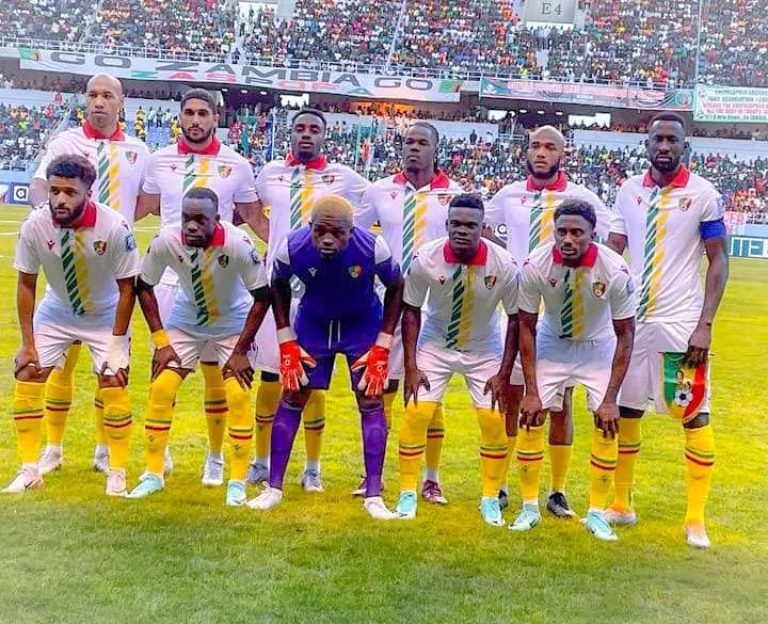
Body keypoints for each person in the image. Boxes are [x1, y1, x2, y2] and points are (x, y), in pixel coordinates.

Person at [607, 112, 729, 549]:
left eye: (671, 140)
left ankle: (695, 520)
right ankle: (621, 504)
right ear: (646, 145)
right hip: (631, 324)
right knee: (626, 411)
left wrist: (704, 325)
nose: (664, 146)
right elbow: (613, 249)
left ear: (684, 146)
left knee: (693, 412)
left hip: (680, 324)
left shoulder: (704, 194)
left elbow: (718, 260)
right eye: (657, 139)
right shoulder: (628, 190)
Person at [136, 88, 265, 487]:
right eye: (188, 113)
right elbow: (142, 207)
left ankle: (215, 457)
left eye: (202, 113)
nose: (195, 120)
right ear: (180, 117)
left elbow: (251, 215)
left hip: (219, 276)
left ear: (215, 118)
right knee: (163, 369)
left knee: (216, 376)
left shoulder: (236, 164)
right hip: (170, 278)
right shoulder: (159, 160)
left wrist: (283, 249)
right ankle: (160, 457)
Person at [484, 125, 615, 517]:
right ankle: (501, 485)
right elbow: (485, 230)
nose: (541, 153)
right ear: (526, 151)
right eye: (535, 146)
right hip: (520, 307)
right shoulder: (508, 195)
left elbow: (611, 239)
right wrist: (511, 262)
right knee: (513, 397)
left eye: (550, 147)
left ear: (563, 153)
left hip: (562, 312)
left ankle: (557, 491)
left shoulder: (582, 197)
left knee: (561, 403)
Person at [247, 195, 403, 520]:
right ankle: (273, 488)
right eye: (320, 231)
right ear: (310, 227)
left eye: (337, 233)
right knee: (292, 395)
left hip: (361, 325)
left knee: (371, 400)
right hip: (314, 324)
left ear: (352, 230)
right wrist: (285, 338)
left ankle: (374, 495)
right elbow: (277, 284)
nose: (327, 239)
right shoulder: (291, 246)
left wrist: (383, 343)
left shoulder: (373, 247)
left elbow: (396, 286)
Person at [29, 74, 150, 477]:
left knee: (109, 368)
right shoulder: (64, 142)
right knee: (60, 364)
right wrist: (46, 216)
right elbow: (39, 187)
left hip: (112, 272)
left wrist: (115, 231)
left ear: (121, 102)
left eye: (107, 96)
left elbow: (147, 201)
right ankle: (53, 448)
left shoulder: (138, 151)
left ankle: (103, 450)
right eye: (93, 95)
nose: (99, 102)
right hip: (67, 266)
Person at [247, 108, 370, 491]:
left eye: (314, 129)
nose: (306, 134)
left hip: (321, 292)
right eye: (299, 128)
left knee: (312, 382)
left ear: (323, 136)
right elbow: (251, 212)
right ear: (290, 133)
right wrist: (276, 243)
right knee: (271, 376)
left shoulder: (344, 178)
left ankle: (312, 468)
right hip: (280, 289)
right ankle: (261, 461)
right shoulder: (270, 173)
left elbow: (368, 213)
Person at [2, 155, 140, 496]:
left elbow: (128, 289)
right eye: (55, 191)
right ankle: (29, 470)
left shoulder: (114, 226)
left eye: (70, 192)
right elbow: (26, 284)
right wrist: (27, 344)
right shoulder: (35, 224)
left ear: (88, 193)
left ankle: (117, 472)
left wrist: (117, 345)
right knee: (28, 372)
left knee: (113, 379)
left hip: (105, 313)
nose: (60, 199)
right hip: (58, 310)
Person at [125, 188, 270, 505]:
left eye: (200, 220)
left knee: (237, 394)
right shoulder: (167, 239)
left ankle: (237, 482)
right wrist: (161, 341)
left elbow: (262, 296)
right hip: (186, 320)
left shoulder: (238, 243)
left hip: (232, 323)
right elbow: (144, 286)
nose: (191, 226)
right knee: (161, 387)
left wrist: (241, 351)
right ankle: (153, 474)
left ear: (217, 219)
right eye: (186, 219)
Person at [509, 201, 636, 541]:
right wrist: (531, 391)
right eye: (561, 231)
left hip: (598, 346)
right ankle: (529, 508)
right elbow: (526, 326)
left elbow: (626, 335)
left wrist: (610, 399)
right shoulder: (536, 263)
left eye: (577, 232)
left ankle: (596, 513)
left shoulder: (615, 269)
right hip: (553, 342)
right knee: (531, 416)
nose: (568, 239)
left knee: (607, 423)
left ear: (593, 234)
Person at [355, 122, 463, 502]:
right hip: (386, 304)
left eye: (422, 143)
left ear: (436, 149)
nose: (414, 148)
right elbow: (357, 237)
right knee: (381, 386)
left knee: (428, 395)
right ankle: (374, 473)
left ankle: (430, 479)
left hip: (434, 308)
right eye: (408, 142)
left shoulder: (455, 195)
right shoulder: (379, 190)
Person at [395, 194, 519, 526]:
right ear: (447, 224)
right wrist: (411, 366)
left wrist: (504, 373)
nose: (462, 231)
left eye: (470, 225)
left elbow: (516, 319)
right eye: (456, 224)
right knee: (416, 413)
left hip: (483, 348)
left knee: (493, 421)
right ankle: (407, 494)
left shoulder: (504, 264)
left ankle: (490, 499)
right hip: (435, 344)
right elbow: (411, 311)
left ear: (483, 227)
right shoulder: (426, 258)